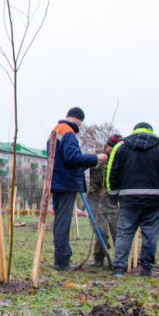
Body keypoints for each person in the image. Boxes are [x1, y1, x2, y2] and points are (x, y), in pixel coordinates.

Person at [106, 122, 159, 277]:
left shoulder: (120, 147)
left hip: (128, 199)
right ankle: (146, 269)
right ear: (151, 131)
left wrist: (113, 197)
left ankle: (119, 268)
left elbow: (112, 174)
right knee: (150, 235)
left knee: (124, 233)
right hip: (154, 200)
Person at [48, 107, 108, 271]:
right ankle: (62, 261)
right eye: (81, 122)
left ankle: (61, 258)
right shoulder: (68, 133)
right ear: (77, 118)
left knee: (60, 221)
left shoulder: (56, 130)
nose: (80, 125)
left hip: (56, 183)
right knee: (63, 222)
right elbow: (71, 158)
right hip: (66, 184)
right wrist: (95, 158)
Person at [86, 133, 123, 268]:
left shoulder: (120, 158)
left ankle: (120, 261)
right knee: (101, 231)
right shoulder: (95, 155)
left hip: (112, 199)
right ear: (107, 145)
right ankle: (99, 258)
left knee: (117, 231)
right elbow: (80, 165)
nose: (113, 151)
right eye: (111, 148)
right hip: (94, 198)